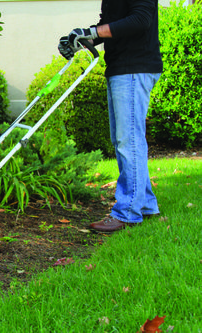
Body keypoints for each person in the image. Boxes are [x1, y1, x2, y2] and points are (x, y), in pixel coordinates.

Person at [58, 0, 163, 232]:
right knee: (125, 140)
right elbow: (109, 27)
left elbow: (139, 21)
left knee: (129, 141)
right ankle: (145, 204)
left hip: (134, 68)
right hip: (121, 69)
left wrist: (92, 32)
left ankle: (127, 213)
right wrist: (80, 40)